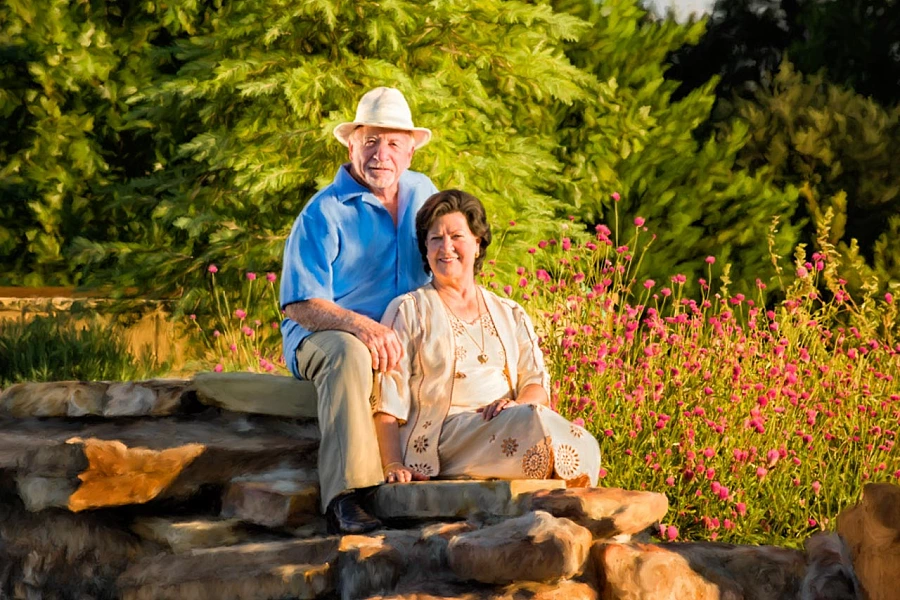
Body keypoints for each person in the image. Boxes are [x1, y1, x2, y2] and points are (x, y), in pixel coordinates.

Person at [280, 87, 437, 534]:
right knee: (351, 353)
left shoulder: (424, 192)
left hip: (398, 329)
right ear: (351, 145)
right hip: (323, 332)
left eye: (392, 143)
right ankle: (347, 495)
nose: (380, 154)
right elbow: (298, 303)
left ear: (410, 151)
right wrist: (360, 327)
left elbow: (449, 250)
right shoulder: (321, 213)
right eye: (370, 141)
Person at [373, 190, 601, 487]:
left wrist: (517, 406)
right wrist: (392, 463)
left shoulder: (510, 312)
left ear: (478, 244)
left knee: (582, 440)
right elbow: (388, 399)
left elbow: (536, 383)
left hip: (514, 422)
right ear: (426, 250)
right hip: (445, 436)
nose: (446, 247)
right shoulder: (408, 310)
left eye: (457, 236)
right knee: (533, 427)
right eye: (436, 239)